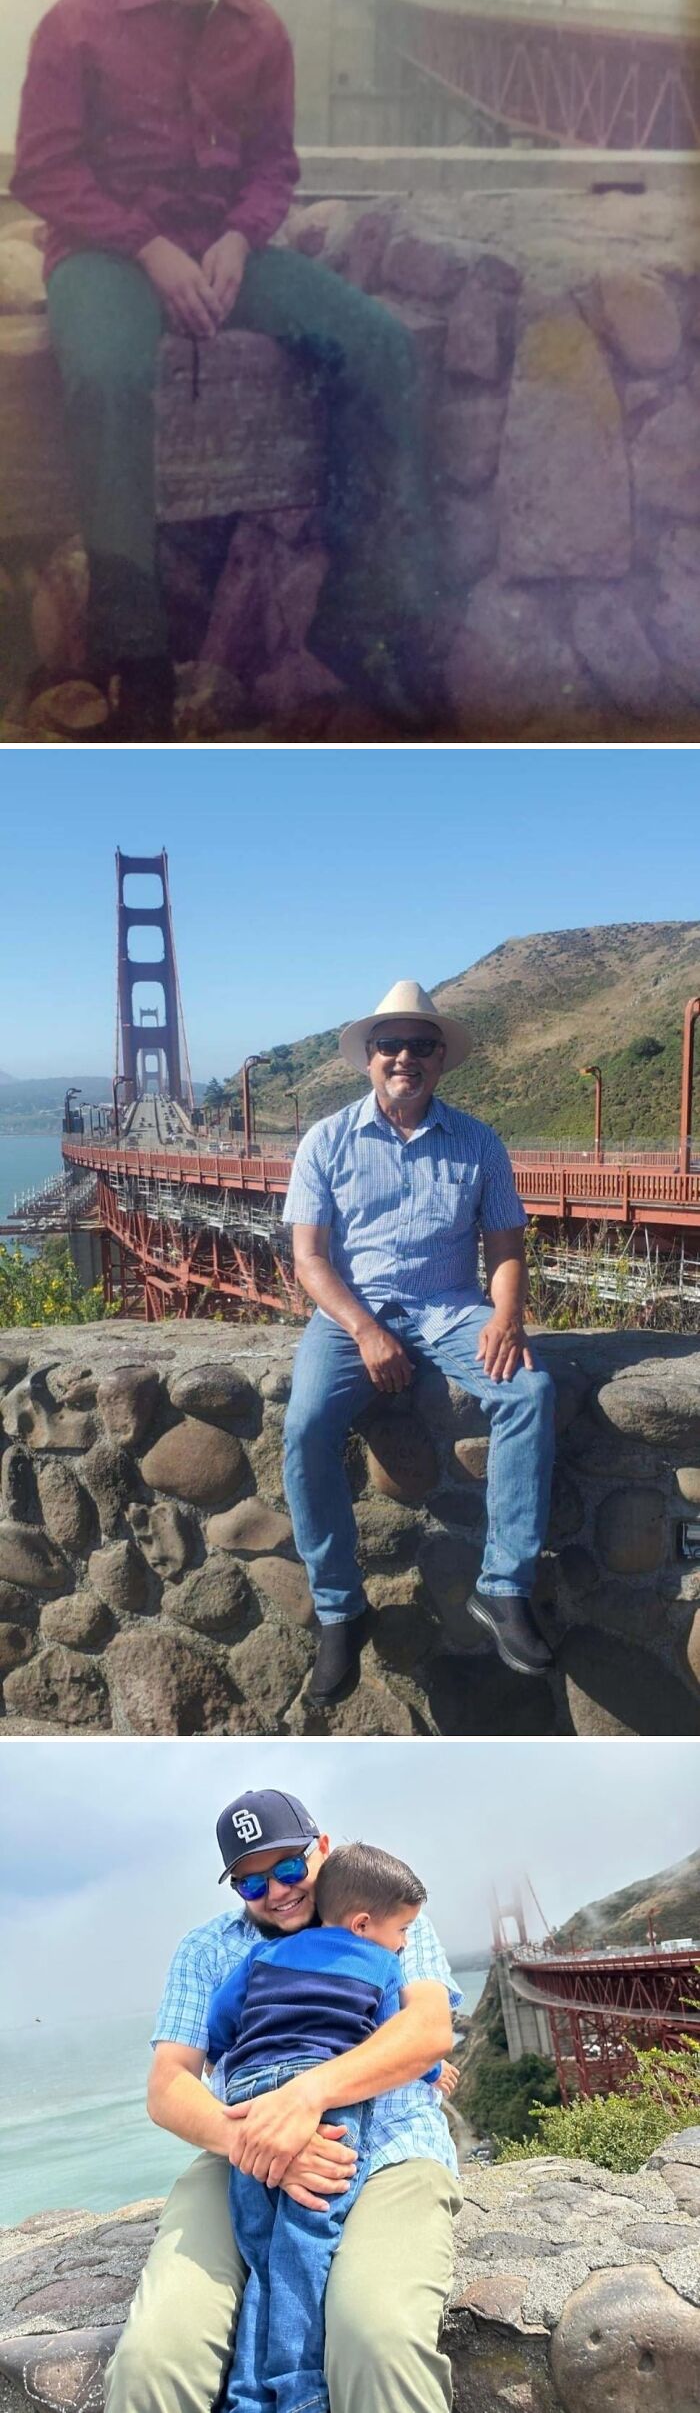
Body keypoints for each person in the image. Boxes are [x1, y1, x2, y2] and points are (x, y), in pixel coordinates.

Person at [12, 0, 437, 739]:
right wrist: (149, 248)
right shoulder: (78, 23)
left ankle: (359, 620)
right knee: (110, 379)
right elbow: (45, 171)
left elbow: (275, 164)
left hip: (224, 254)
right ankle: (138, 661)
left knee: (380, 346)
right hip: (103, 253)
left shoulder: (262, 31)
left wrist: (243, 237)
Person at [103, 1784, 463, 2413]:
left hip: (391, 2147)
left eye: (289, 1867)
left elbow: (428, 2030)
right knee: (154, 2359)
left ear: (321, 1847)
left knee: (378, 2338)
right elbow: (169, 2086)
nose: (277, 1891)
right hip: (239, 2153)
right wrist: (265, 2144)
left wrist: (306, 2096)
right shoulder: (208, 1950)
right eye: (251, 1883)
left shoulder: (385, 1915)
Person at [282, 979, 557, 1701]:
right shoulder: (328, 1139)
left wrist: (508, 1317)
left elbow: (505, 1246)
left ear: (441, 1061)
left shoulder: (479, 1142)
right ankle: (341, 1611)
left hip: (452, 1310)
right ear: (368, 1059)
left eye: (421, 1046)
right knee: (306, 1424)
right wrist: (367, 1330)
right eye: (390, 1045)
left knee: (530, 1391)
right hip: (352, 1313)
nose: (405, 1056)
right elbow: (309, 1258)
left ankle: (503, 1588)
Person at [209, 1839, 435, 2413]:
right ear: (363, 1924)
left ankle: (246, 2399)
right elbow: (400, 2041)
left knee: (261, 2253)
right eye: (402, 1930)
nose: (405, 1941)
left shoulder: (260, 1958)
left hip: (251, 2103)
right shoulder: (382, 1963)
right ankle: (301, 2390)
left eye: (289, 1870)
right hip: (322, 2098)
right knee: (306, 2247)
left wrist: (234, 2062)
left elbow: (219, 2029)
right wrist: (435, 2071)